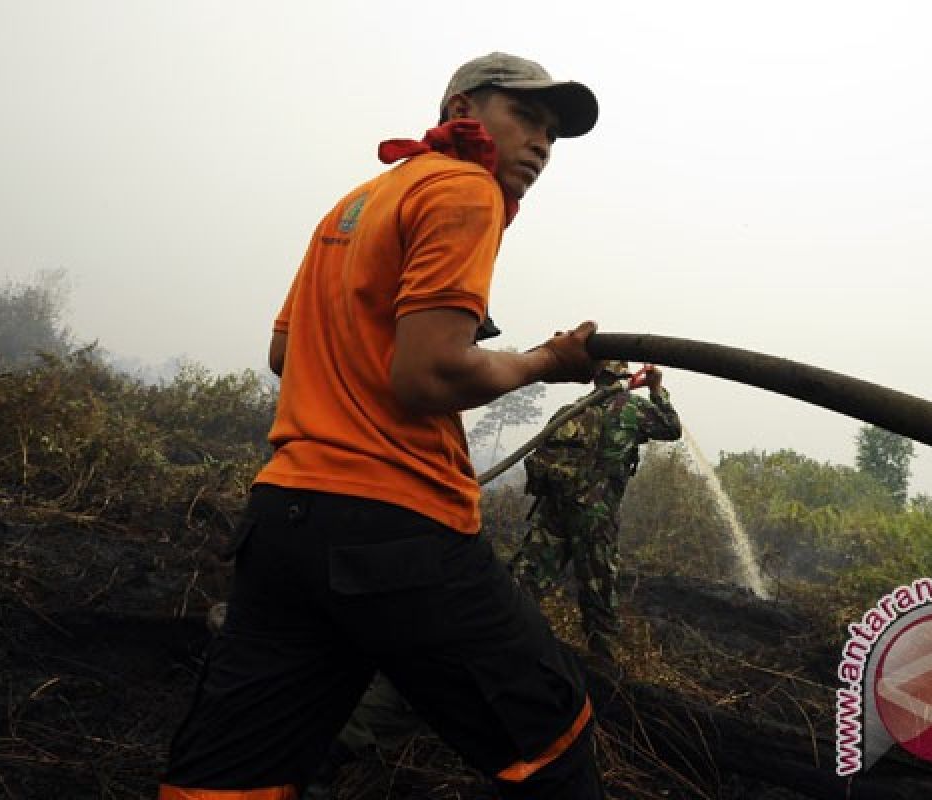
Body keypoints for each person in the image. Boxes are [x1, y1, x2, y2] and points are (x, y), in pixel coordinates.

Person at [160, 52, 605, 800]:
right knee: (553, 736)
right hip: (396, 528)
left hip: (285, 523)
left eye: (553, 136)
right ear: (464, 110)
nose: (540, 146)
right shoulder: (466, 188)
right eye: (527, 117)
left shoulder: (358, 201)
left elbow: (283, 352)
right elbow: (429, 376)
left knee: (234, 775)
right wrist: (543, 363)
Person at [512, 361, 682, 662]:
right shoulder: (633, 410)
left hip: (554, 509)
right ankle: (605, 669)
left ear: (596, 376)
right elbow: (671, 428)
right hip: (595, 517)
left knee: (528, 578)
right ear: (624, 376)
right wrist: (656, 388)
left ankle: (501, 641)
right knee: (598, 591)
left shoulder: (572, 409)